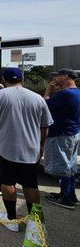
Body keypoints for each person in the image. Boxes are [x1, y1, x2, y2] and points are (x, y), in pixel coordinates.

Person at [0, 68, 53, 232]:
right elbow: (45, 127)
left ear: (4, 79)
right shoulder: (37, 98)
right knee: (31, 185)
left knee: (7, 183)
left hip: (4, 147)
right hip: (30, 148)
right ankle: (36, 221)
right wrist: (41, 144)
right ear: (22, 78)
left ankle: (12, 219)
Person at [43, 68, 80, 209]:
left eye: (57, 76)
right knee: (70, 166)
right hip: (73, 132)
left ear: (66, 77)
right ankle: (70, 194)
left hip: (61, 133)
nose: (54, 79)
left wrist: (48, 90)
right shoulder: (77, 92)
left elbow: (44, 106)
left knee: (63, 166)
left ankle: (66, 198)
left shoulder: (64, 94)